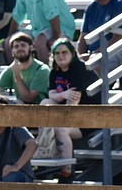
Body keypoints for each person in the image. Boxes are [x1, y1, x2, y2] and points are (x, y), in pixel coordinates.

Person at [38, 38, 100, 179]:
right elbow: (51, 94)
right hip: (69, 111)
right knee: (45, 102)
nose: (60, 56)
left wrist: (61, 98)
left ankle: (66, 171)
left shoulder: (79, 67)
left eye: (64, 52)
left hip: (89, 115)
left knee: (61, 129)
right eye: (57, 53)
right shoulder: (54, 71)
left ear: (72, 54)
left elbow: (74, 100)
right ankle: (44, 146)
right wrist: (63, 94)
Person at [0, 31, 51, 105]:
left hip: (41, 108)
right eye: (16, 46)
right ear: (12, 52)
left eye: (23, 45)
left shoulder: (42, 69)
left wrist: (17, 76)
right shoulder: (12, 68)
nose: (20, 48)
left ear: (31, 47)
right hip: (20, 106)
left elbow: (28, 98)